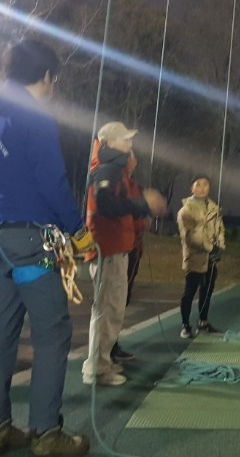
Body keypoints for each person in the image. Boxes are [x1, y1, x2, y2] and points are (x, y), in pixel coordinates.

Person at [0, 39, 90, 456]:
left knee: (0, 335)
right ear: (45, 76)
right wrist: (79, 232)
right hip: (29, 243)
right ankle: (46, 433)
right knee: (53, 333)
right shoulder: (35, 118)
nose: (52, 89)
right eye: (52, 80)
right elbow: (53, 182)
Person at [82, 122, 166, 387]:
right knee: (107, 311)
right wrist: (143, 204)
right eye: (124, 140)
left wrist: (141, 210)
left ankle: (101, 362)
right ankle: (97, 368)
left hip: (113, 248)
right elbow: (106, 204)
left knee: (110, 310)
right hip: (108, 249)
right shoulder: (108, 169)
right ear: (109, 144)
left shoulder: (113, 169)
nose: (130, 144)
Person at [177, 174, 225, 339]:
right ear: (192, 188)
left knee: (207, 291)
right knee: (189, 292)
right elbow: (190, 237)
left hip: (211, 259)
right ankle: (185, 326)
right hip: (195, 257)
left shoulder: (214, 208)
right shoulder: (186, 210)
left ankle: (203, 322)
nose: (202, 188)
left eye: (205, 184)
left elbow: (220, 229)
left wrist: (220, 248)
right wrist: (211, 248)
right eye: (198, 185)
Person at [111, 151, 146, 364]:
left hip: (133, 247)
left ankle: (112, 345)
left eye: (132, 156)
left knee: (123, 299)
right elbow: (124, 214)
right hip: (120, 248)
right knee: (113, 302)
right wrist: (142, 218)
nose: (131, 161)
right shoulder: (114, 180)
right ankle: (107, 350)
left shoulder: (132, 184)